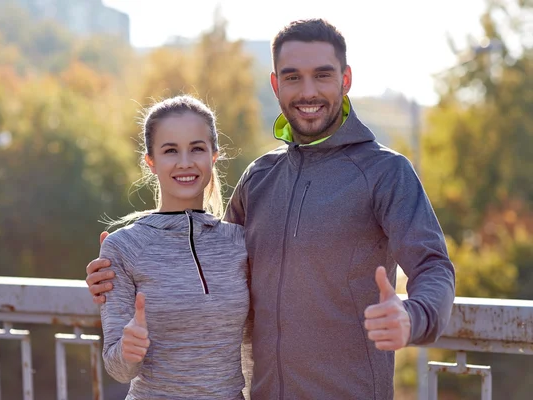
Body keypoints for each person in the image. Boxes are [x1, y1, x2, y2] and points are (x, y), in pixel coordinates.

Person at [87, 19, 455, 399]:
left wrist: (413, 316)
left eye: (322, 75)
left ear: (345, 80)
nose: (308, 91)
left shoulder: (385, 172)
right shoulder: (259, 177)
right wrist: (115, 275)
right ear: (276, 84)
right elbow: (212, 265)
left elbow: (434, 266)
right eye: (293, 77)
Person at [97, 95, 250, 399]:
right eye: (170, 151)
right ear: (150, 161)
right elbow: (117, 368)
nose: (185, 162)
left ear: (214, 156)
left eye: (197, 148)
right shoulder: (122, 248)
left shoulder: (241, 242)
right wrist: (129, 350)